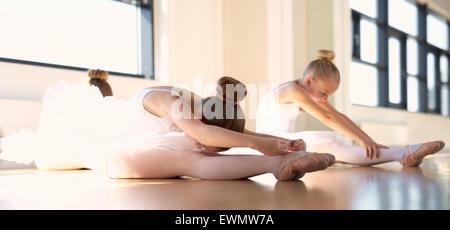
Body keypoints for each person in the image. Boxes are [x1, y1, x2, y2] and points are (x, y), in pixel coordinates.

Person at [0, 74, 335, 181]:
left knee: (193, 156)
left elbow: (235, 134)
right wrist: (266, 149)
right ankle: (277, 166)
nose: (209, 145)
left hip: (129, 147)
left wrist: (281, 140)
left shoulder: (204, 108)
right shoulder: (173, 102)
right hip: (110, 153)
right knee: (192, 160)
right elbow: (204, 137)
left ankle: (284, 163)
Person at [256, 50, 445, 167]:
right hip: (270, 142)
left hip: (283, 139)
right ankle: (404, 153)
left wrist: (368, 139)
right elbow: (327, 119)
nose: (325, 98)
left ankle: (404, 153)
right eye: (324, 93)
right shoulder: (292, 90)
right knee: (334, 146)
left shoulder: (305, 89)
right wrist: (362, 140)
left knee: (336, 147)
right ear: (309, 81)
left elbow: (336, 115)